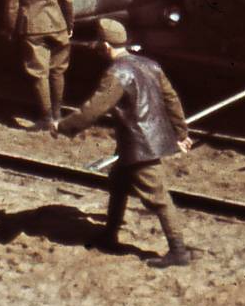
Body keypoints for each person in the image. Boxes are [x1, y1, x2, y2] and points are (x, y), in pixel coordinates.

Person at [56, 19, 192, 268]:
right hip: (140, 142)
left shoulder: (117, 72)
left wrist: (64, 126)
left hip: (139, 145)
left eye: (99, 44)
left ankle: (178, 251)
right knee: (118, 184)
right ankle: (110, 235)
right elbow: (171, 99)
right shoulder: (150, 64)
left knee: (158, 198)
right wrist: (181, 132)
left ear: (106, 45)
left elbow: (94, 108)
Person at [5, 0, 74, 132]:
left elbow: (12, 5)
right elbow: (67, 1)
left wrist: (10, 29)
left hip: (32, 27)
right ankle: (58, 114)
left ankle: (45, 118)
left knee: (39, 73)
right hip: (58, 25)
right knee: (58, 71)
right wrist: (69, 24)